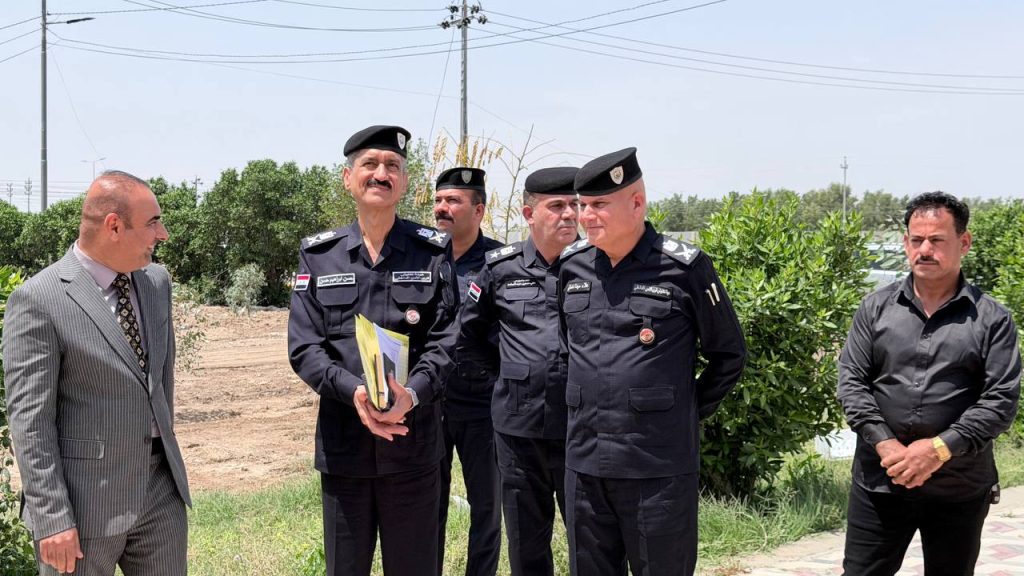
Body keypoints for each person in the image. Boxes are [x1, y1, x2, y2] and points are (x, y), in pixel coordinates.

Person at [558, 148, 746, 575]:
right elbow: (572, 348)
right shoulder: (573, 267)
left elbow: (729, 354)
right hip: (585, 466)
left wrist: (684, 412)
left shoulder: (683, 268)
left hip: (657, 469)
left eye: (599, 205)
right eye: (583, 206)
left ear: (637, 203)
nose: (586, 216)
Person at [288, 125, 460, 576]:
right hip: (345, 448)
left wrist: (413, 393)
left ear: (404, 182)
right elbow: (305, 347)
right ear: (348, 178)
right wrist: (355, 392)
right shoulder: (318, 256)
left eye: (393, 166)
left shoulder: (432, 252)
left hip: (414, 447)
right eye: (370, 164)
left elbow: (446, 340)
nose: (381, 174)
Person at [3, 171, 191, 576]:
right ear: (114, 226)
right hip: (82, 506)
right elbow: (30, 421)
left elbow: (160, 384)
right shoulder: (39, 300)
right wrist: (53, 517)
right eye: (153, 223)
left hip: (160, 494)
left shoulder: (156, 283)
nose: (162, 234)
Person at [837, 191, 1021, 576]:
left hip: (958, 487)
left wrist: (937, 450)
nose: (925, 250)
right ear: (905, 243)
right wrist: (886, 444)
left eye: (937, 240)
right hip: (881, 480)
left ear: (963, 243)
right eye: (916, 239)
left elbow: (1000, 401)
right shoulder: (875, 308)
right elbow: (852, 382)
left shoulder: (992, 319)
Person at [457, 166, 581, 576]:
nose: (570, 214)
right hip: (518, 431)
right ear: (529, 214)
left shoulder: (597, 266)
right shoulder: (501, 268)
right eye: (557, 206)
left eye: (575, 205)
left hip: (583, 429)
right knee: (526, 545)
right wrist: (506, 378)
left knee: (592, 543)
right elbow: (469, 335)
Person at [432, 166, 504, 576]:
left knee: (487, 506)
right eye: (439, 200)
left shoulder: (501, 262)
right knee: (428, 504)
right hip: (430, 401)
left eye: (454, 201)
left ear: (479, 210)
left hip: (482, 404)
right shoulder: (422, 256)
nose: (443, 208)